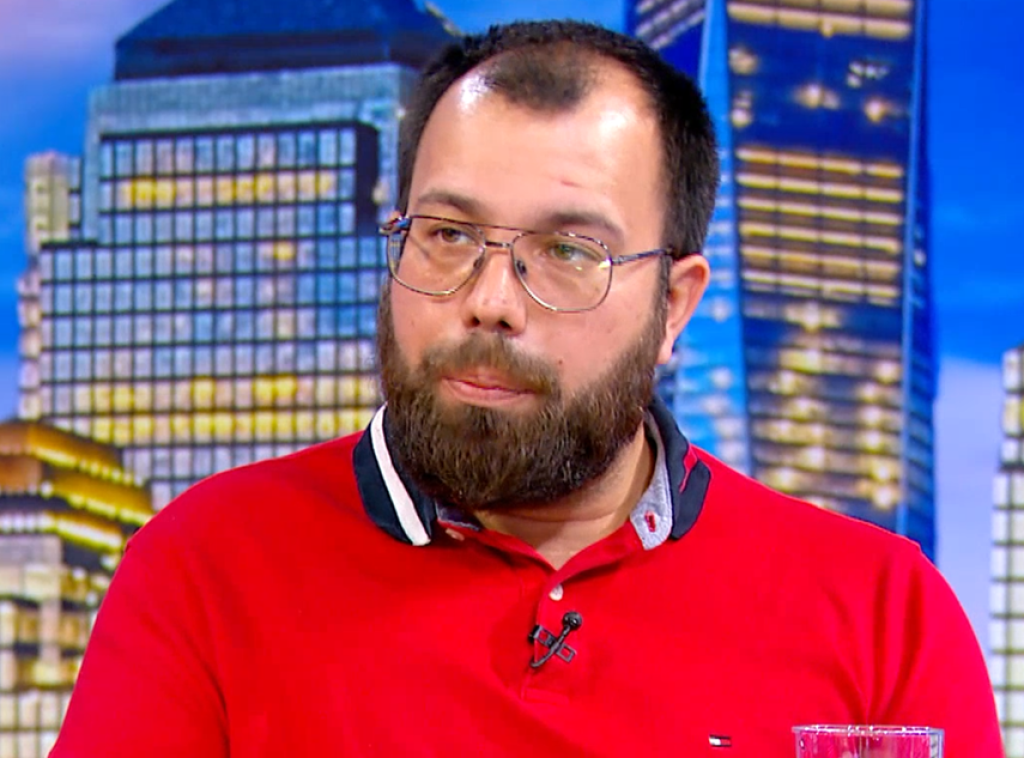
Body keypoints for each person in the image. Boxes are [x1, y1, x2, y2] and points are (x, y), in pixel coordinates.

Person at [51, 20, 1001, 758]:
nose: (492, 301)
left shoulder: (884, 618)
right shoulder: (202, 571)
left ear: (673, 305)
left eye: (569, 252)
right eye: (448, 236)